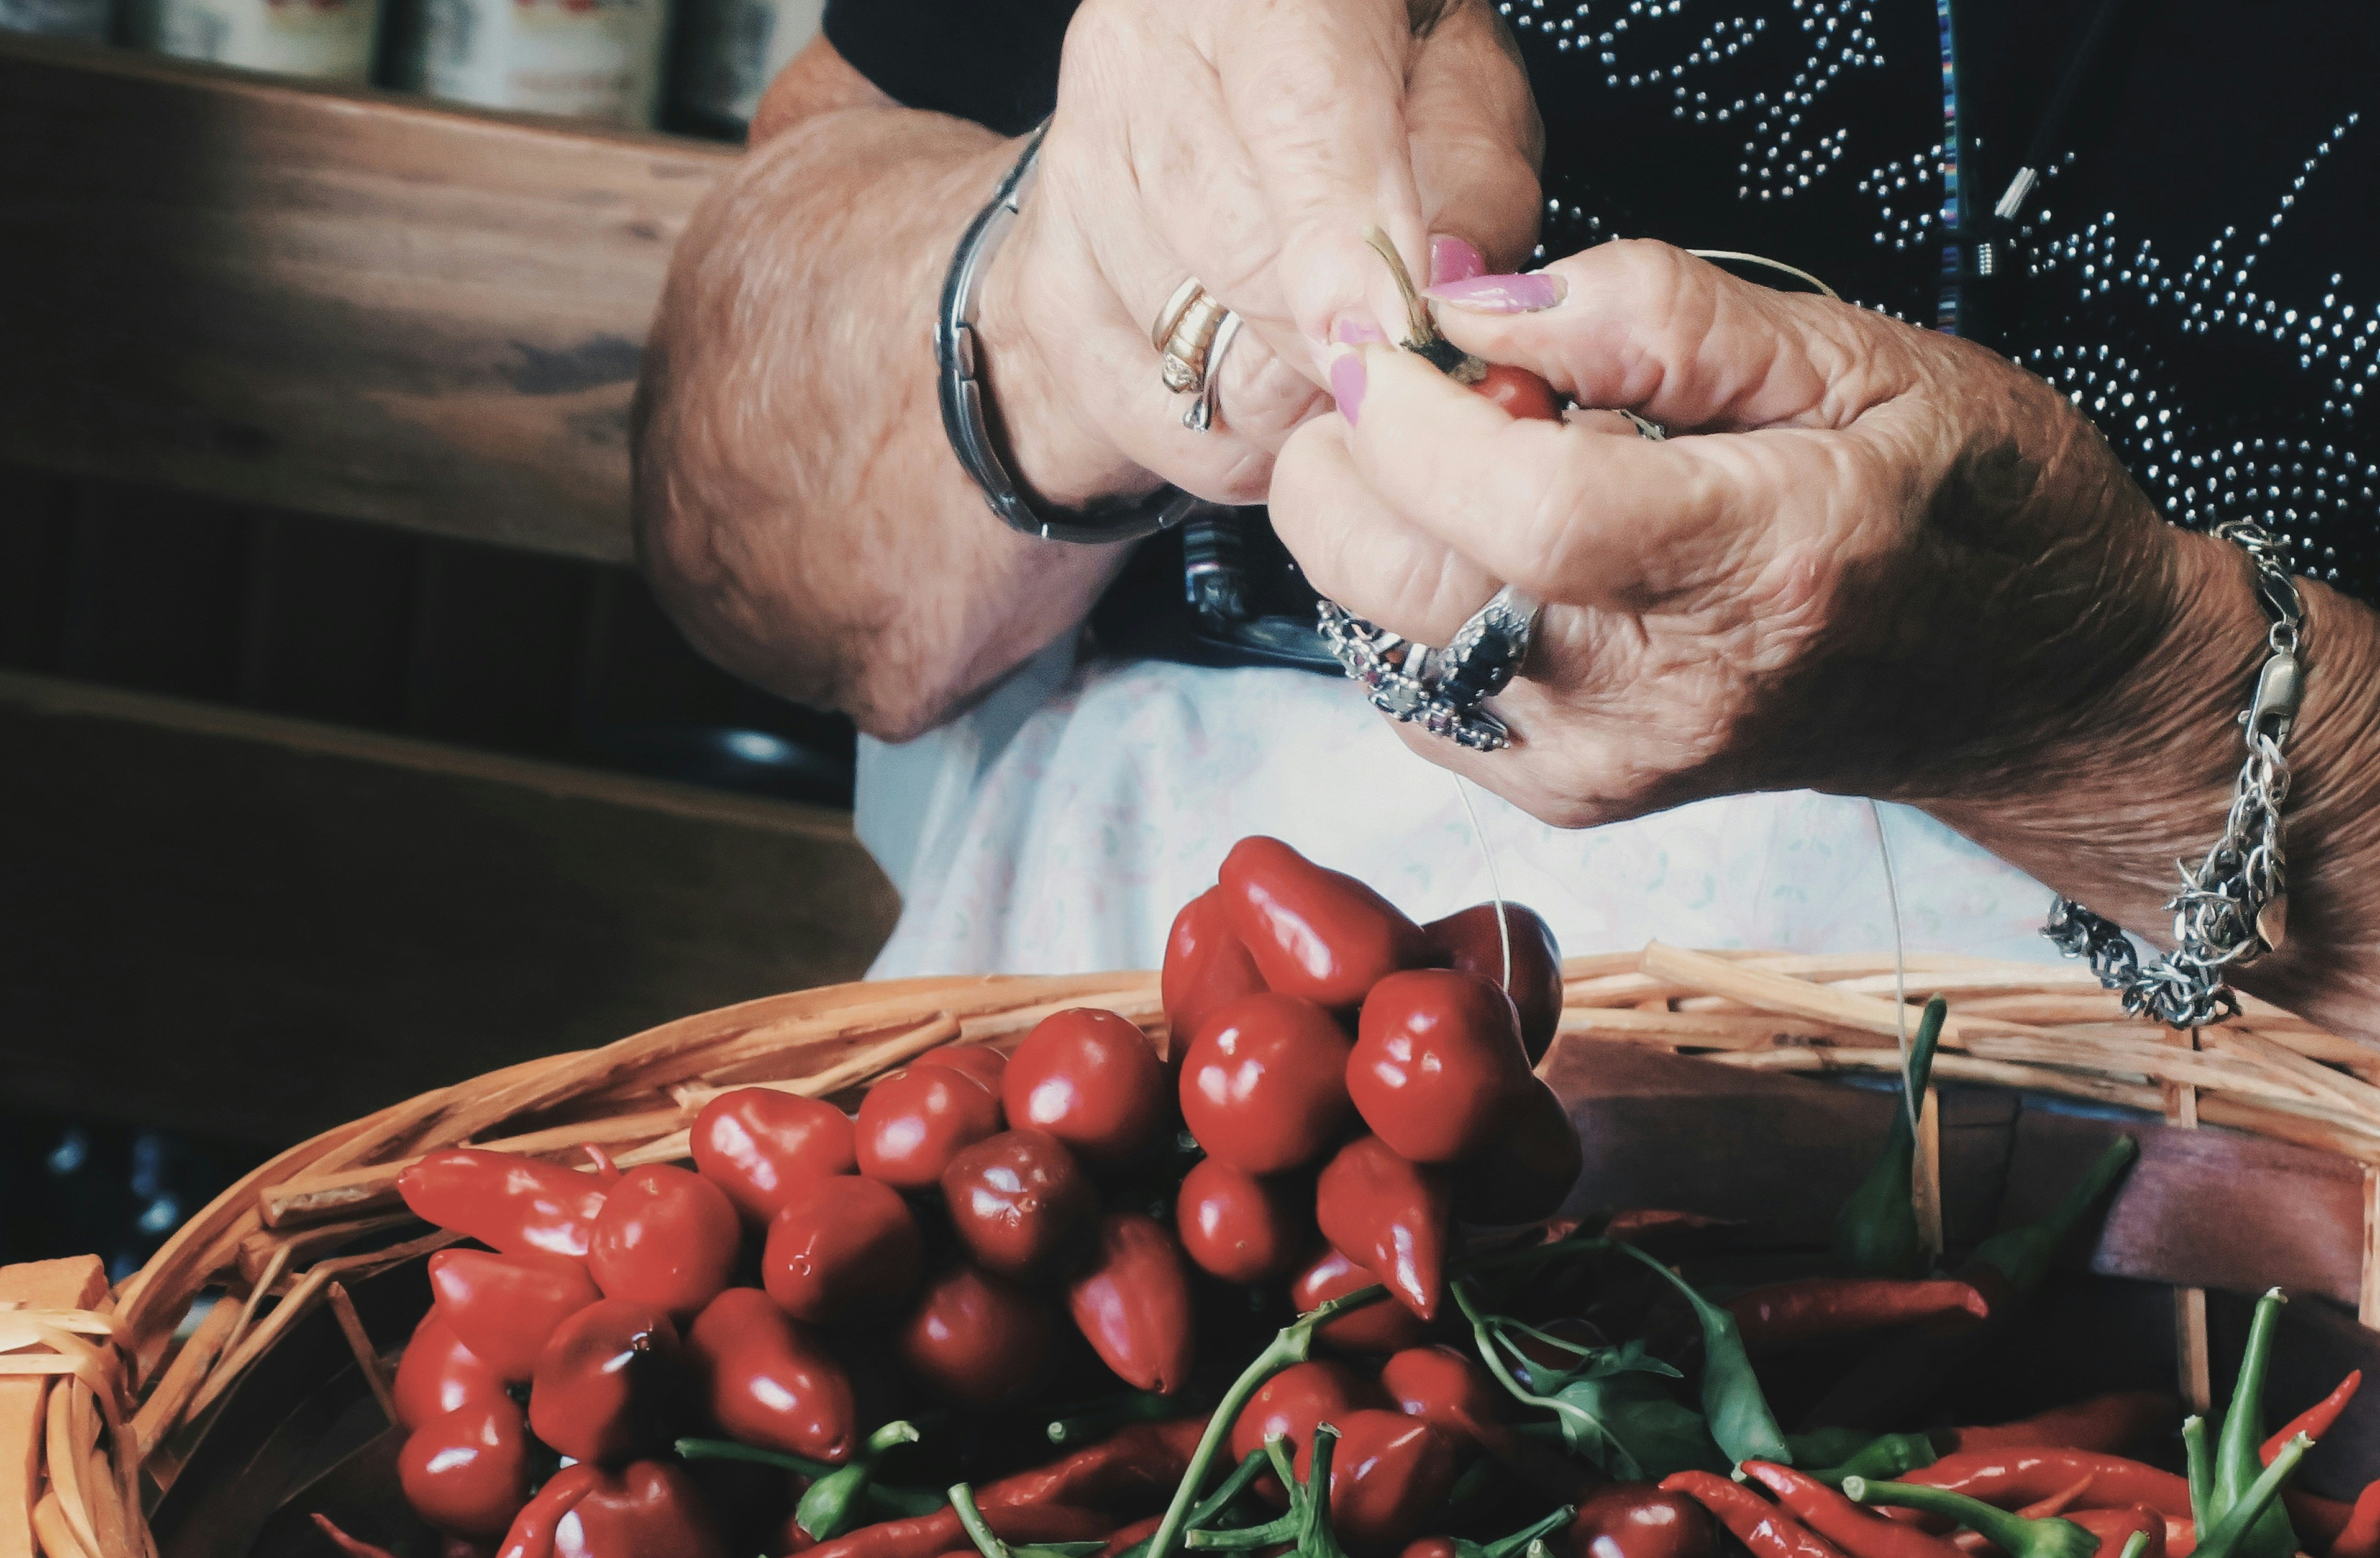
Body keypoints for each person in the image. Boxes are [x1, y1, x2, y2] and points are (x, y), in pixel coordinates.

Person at [632, 0, 2379, 1036]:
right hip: (1111, 1185)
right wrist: (1063, 301)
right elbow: (750, 542)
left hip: (2220, 1277)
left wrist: (2112, 711)